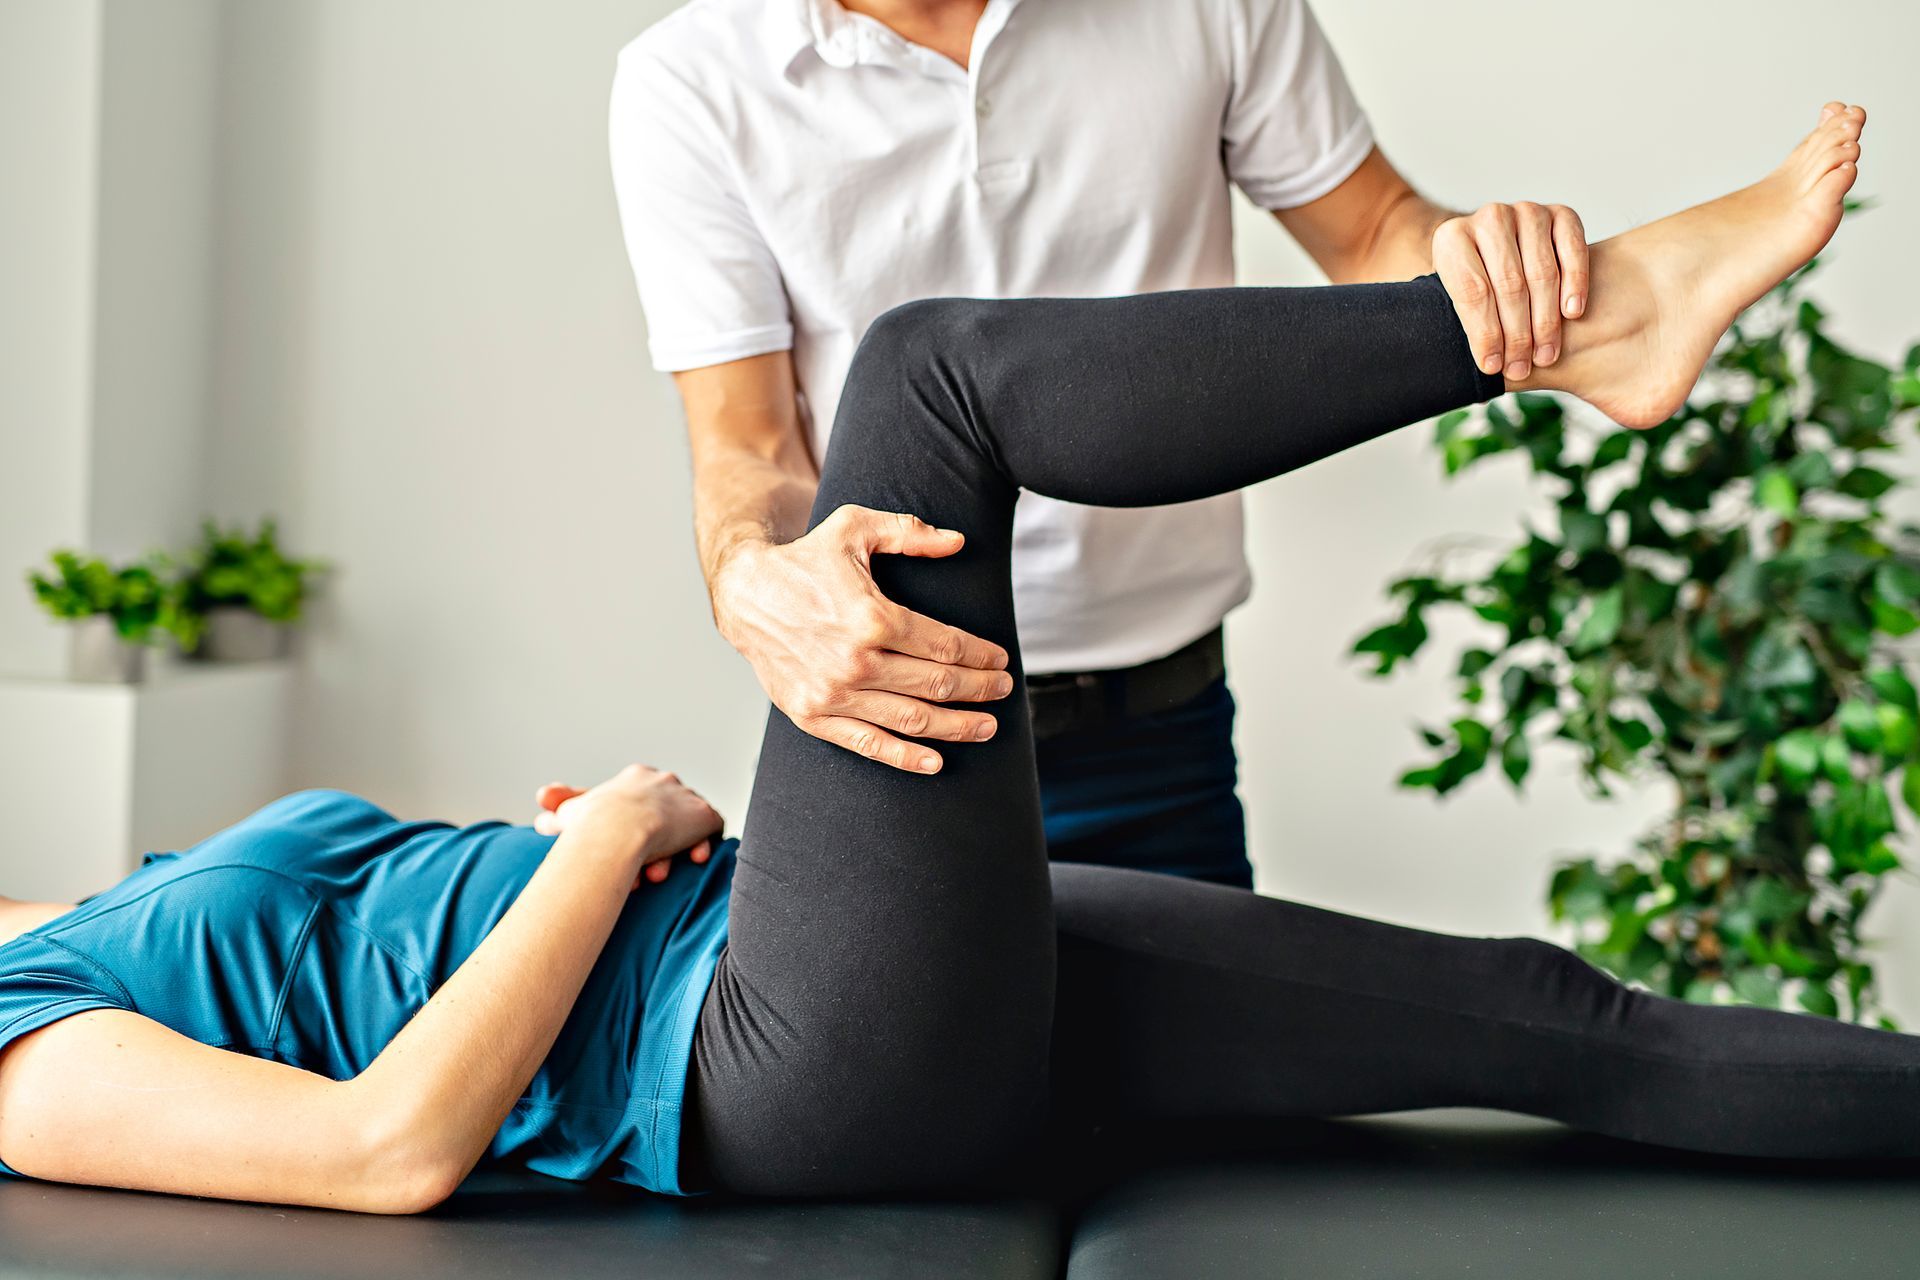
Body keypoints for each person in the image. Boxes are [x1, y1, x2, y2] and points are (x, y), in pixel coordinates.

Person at [0, 108, 1897, 1212]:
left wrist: (562, 863)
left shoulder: (79, 908)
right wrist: (598, 849)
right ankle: (1599, 324)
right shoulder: (16, 1050)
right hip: (767, 1060)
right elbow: (381, 1148)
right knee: (927, 381)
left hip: (774, 947)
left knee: (1548, 1017)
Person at [611, 0, 1597, 887]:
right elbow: (749, 441)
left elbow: (1374, 229)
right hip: (898, 731)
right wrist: (744, 575)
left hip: (1162, 731)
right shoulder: (693, 77)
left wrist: (1494, 264)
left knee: (1228, 1044)